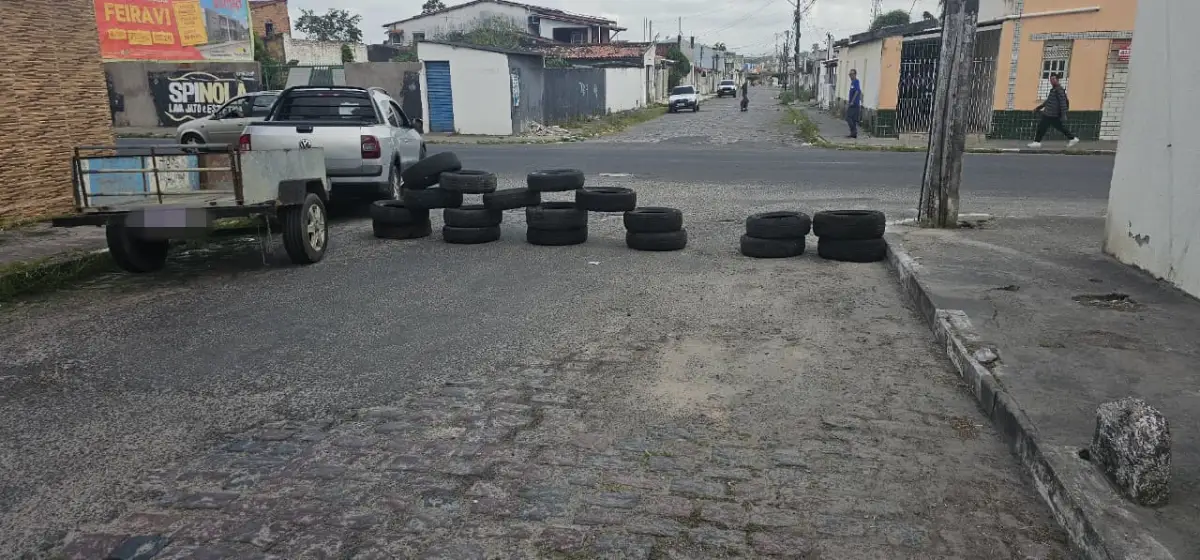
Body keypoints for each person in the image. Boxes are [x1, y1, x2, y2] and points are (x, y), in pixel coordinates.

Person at [1029, 73, 1080, 149]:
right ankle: (1073, 138)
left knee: (1042, 127)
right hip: (1050, 113)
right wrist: (1038, 108)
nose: (1051, 81)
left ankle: (1037, 142)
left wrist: (1064, 115)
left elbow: (1063, 103)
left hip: (1052, 114)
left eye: (1053, 79)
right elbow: (1048, 101)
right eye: (1050, 79)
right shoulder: (1053, 89)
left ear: (1057, 80)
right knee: (1059, 127)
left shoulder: (1059, 90)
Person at [846, 69, 862, 138]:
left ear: (855, 74)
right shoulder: (852, 82)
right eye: (849, 75)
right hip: (853, 103)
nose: (850, 76)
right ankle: (853, 134)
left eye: (851, 74)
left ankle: (854, 131)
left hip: (854, 104)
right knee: (853, 119)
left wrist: (852, 101)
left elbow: (857, 91)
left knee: (848, 117)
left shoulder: (856, 81)